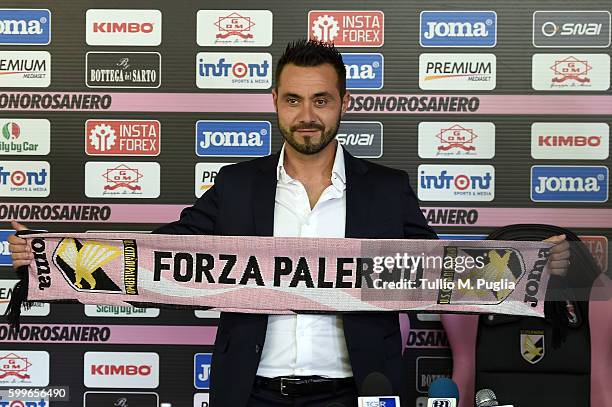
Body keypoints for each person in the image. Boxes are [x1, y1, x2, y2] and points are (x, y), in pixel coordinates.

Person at [8, 39, 570, 407]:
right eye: (294, 100)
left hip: (356, 391)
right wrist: (57, 257)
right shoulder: (236, 184)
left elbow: (436, 274)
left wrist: (533, 267)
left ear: (344, 102)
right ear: (275, 101)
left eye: (321, 100)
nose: (307, 115)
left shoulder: (385, 188)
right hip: (250, 391)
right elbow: (162, 255)